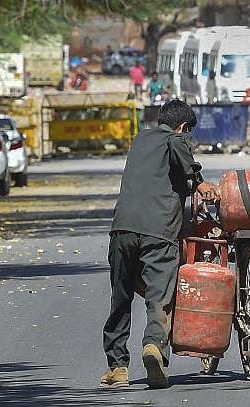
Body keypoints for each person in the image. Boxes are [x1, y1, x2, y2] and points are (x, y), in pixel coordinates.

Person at [100, 100, 220, 389]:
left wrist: (187, 182)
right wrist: (200, 182)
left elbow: (163, 172)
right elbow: (179, 148)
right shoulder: (176, 139)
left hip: (122, 230)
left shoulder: (141, 139)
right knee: (159, 297)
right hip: (159, 232)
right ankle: (154, 347)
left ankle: (117, 368)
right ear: (183, 128)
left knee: (121, 298)